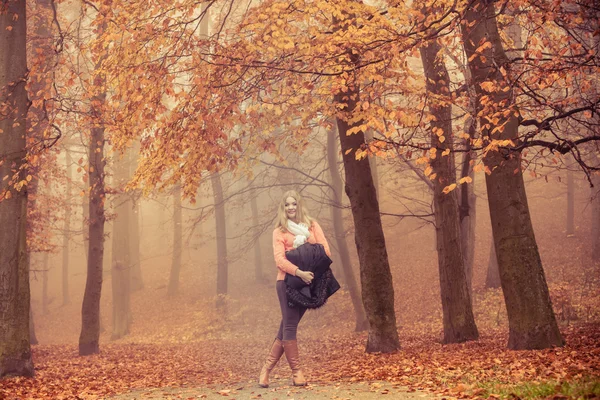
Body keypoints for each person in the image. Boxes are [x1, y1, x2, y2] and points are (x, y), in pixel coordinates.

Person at [258, 190, 331, 388]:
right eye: (287, 204)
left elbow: (325, 250)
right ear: (283, 208)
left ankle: (266, 370)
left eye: (294, 204)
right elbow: (280, 260)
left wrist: (303, 255)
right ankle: (296, 372)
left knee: (285, 327)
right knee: (290, 326)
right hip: (287, 283)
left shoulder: (312, 226)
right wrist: (299, 271)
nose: (291, 207)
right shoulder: (279, 231)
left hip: (308, 283)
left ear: (299, 205)